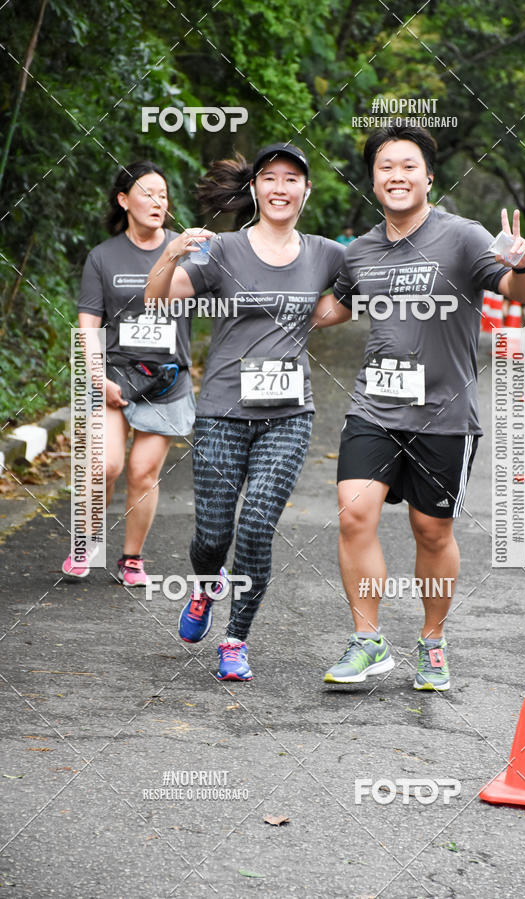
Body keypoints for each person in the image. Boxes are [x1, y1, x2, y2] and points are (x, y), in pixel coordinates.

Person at [314, 124, 525, 690]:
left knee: (431, 531)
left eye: (408, 165)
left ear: (429, 176)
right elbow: (334, 308)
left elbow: (523, 296)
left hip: (445, 415)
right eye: (385, 165)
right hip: (374, 407)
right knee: (353, 513)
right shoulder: (360, 250)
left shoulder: (462, 237)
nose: (396, 175)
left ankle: (432, 642)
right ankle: (368, 641)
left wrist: (521, 264)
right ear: (372, 178)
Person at [145, 143, 344, 681]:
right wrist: (170, 252)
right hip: (221, 413)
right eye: (270, 178)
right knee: (212, 535)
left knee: (255, 524)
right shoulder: (224, 250)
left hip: (289, 414)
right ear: (255, 188)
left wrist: (313, 319)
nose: (281, 188)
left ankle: (236, 639)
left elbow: (355, 292)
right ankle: (206, 587)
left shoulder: (326, 253)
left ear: (307, 191)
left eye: (292, 179)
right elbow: (160, 300)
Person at [62, 161, 195, 587]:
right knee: (105, 464)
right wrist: (97, 378)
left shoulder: (185, 249)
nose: (159, 202)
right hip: (114, 373)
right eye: (148, 193)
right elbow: (88, 325)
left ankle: (131, 559)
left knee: (143, 471)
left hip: (167, 379)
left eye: (163, 195)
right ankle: (86, 543)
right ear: (124, 200)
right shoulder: (102, 257)